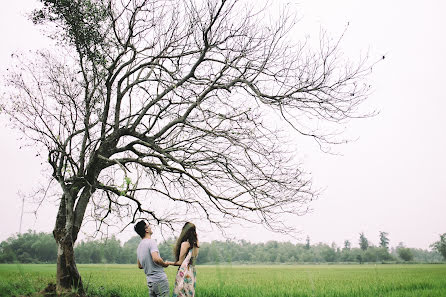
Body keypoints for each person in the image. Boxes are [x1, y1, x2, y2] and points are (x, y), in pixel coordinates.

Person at [134, 220, 170, 297]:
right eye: (149, 225)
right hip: (159, 279)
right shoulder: (151, 242)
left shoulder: (139, 246)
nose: (150, 227)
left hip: (150, 281)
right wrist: (164, 264)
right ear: (146, 230)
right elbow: (156, 259)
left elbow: (140, 265)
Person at [167, 222, 200, 297]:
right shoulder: (196, 244)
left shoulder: (185, 244)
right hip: (192, 272)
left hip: (184, 272)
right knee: (189, 294)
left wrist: (169, 262)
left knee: (181, 294)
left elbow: (180, 262)